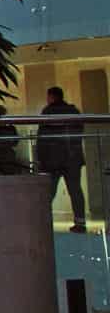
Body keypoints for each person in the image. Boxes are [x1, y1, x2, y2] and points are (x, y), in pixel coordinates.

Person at [39, 85, 88, 233]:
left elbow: (43, 137)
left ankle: (42, 222)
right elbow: (79, 132)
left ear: (51, 97)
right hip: (72, 158)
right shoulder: (74, 111)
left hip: (53, 160)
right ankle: (80, 222)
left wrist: (41, 158)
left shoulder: (48, 112)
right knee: (75, 190)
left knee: (49, 192)